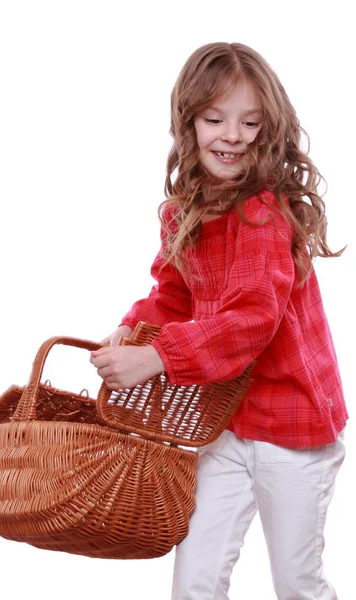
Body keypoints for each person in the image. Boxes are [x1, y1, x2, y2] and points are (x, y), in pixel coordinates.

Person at [90, 42, 348, 600]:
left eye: (249, 122)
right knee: (196, 579)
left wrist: (158, 357)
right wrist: (133, 330)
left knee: (297, 582)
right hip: (227, 423)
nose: (232, 135)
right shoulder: (185, 211)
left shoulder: (261, 214)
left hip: (292, 430)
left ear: (267, 128)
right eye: (215, 119)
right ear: (189, 123)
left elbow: (251, 320)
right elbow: (175, 294)